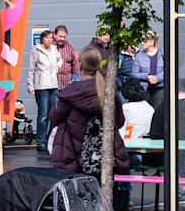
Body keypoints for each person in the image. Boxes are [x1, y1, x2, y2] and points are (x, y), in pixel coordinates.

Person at [46, 46, 126, 181]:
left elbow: (54, 118)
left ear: (80, 66)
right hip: (102, 155)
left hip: (72, 155)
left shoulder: (71, 92)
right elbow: (119, 121)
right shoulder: (109, 91)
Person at [28, 29, 62, 153]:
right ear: (42, 39)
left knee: (55, 111)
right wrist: (30, 86)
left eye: (51, 38)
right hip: (41, 85)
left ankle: (50, 139)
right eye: (47, 38)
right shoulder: (35, 51)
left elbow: (60, 59)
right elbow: (31, 69)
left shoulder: (54, 49)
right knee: (43, 114)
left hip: (53, 84)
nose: (49, 40)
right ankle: (40, 141)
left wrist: (58, 66)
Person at [51, 25, 78, 89]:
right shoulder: (49, 46)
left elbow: (74, 65)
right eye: (60, 36)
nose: (62, 39)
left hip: (66, 85)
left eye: (64, 37)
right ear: (55, 35)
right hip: (52, 85)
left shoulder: (69, 46)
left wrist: (75, 80)